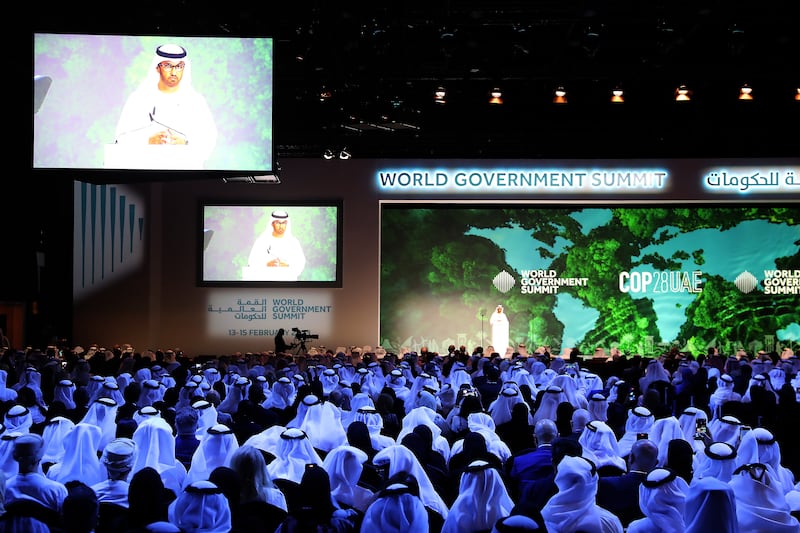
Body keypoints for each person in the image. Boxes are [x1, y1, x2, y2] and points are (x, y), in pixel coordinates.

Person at [113, 43, 218, 169]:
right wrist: (148, 141)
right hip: (146, 172)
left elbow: (209, 139)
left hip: (185, 175)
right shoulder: (139, 99)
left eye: (179, 66)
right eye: (168, 66)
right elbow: (120, 139)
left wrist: (185, 143)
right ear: (157, 68)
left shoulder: (196, 101)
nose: (174, 72)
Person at [245, 210, 307, 281]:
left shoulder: (293, 242)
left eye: (284, 223)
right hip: (265, 284)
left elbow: (300, 263)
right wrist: (267, 264)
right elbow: (252, 262)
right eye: (278, 223)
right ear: (272, 223)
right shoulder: (261, 241)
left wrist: (286, 265)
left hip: (288, 285)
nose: (281, 226)